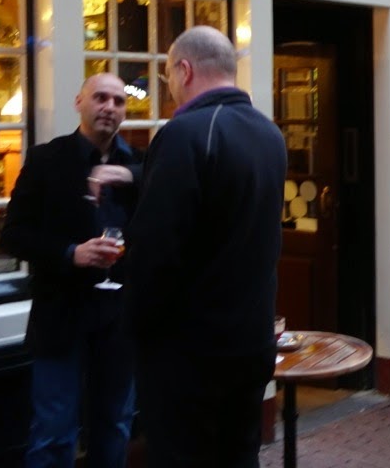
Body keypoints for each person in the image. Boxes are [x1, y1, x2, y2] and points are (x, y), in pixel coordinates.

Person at [126, 26, 287, 468]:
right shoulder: (270, 134)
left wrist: (137, 326)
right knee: (239, 455)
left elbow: (157, 249)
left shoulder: (185, 133)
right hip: (252, 340)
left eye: (167, 77)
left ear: (185, 69)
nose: (170, 88)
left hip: (192, 353)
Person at [1, 73, 140, 468]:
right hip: (61, 312)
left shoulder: (139, 164)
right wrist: (70, 253)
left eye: (118, 101)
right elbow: (13, 235)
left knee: (115, 425)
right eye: (100, 98)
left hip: (119, 318)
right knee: (53, 432)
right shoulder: (47, 160)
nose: (109, 107)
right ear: (79, 102)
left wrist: (132, 176)